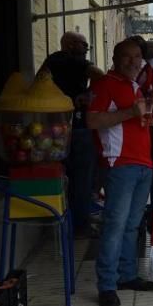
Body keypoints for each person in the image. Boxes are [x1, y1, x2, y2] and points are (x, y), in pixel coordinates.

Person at [87, 39, 153, 306]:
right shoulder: (103, 84)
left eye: (138, 57)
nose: (134, 61)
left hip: (142, 163)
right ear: (115, 58)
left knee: (132, 225)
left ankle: (126, 275)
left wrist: (147, 115)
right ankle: (107, 285)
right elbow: (92, 120)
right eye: (127, 56)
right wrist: (128, 113)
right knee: (115, 225)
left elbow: (137, 119)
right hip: (119, 164)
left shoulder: (135, 87)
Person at [40, 32, 104, 238]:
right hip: (75, 126)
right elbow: (100, 75)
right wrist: (88, 94)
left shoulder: (50, 62)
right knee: (82, 177)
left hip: (52, 128)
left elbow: (38, 82)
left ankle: (65, 219)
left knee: (64, 177)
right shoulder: (71, 60)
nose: (87, 48)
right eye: (83, 44)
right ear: (70, 45)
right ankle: (80, 225)